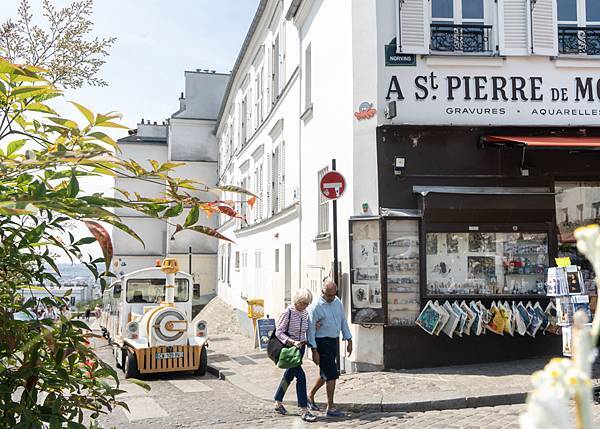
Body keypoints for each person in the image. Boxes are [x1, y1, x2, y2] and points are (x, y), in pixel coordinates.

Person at [307, 281, 353, 417]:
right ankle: (331, 407)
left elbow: (342, 320)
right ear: (323, 292)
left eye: (334, 295)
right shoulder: (316, 306)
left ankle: (310, 395)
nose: (332, 297)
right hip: (322, 342)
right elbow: (310, 330)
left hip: (334, 341)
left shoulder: (337, 302)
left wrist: (348, 338)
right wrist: (314, 350)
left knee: (326, 373)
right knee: (332, 374)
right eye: (329, 295)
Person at [273, 289, 317, 423]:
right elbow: (279, 332)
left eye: (307, 303)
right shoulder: (288, 312)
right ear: (296, 301)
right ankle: (303, 409)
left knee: (289, 375)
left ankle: (278, 401)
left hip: (300, 349)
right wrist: (292, 342)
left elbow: (307, 329)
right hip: (289, 350)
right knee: (301, 377)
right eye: (303, 303)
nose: (305, 306)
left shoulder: (305, 313)